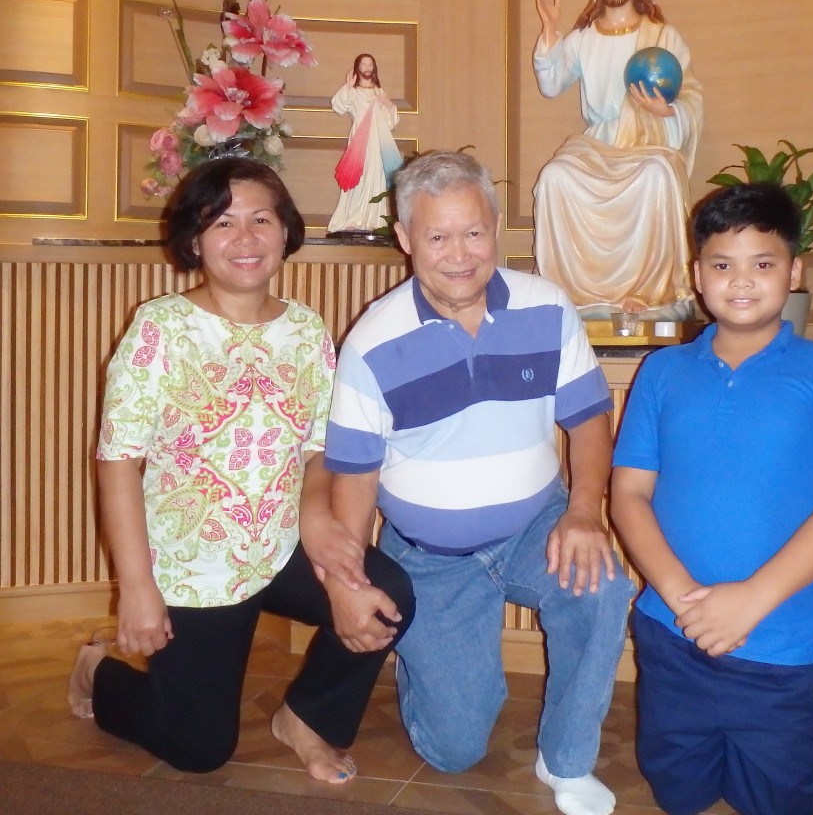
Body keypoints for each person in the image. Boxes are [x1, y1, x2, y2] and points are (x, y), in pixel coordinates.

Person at [67, 157, 414, 782]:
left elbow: (317, 449)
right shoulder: (161, 328)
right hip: (192, 567)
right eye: (222, 221)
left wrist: (317, 525)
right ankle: (100, 669)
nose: (246, 237)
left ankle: (307, 718)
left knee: (389, 599)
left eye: (261, 218)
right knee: (199, 750)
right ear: (195, 240)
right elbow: (118, 461)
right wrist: (137, 588)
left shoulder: (308, 331)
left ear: (286, 232)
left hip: (280, 546)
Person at [318, 150, 635, 815]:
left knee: (602, 585)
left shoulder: (547, 309)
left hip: (534, 526)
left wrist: (582, 512)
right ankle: (428, 662)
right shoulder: (373, 340)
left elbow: (588, 420)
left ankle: (566, 759)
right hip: (428, 559)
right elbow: (352, 476)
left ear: (496, 227)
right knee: (454, 747)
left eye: (474, 232)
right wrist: (348, 586)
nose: (459, 254)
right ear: (406, 240)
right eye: (437, 236)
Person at [610, 182, 813, 815]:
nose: (742, 281)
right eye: (722, 264)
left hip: (786, 651)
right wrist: (683, 600)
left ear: (795, 271)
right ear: (697, 275)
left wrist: (750, 601)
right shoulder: (661, 371)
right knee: (680, 791)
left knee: (781, 799)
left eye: (764, 263)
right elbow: (628, 494)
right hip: (673, 637)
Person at [533, 0, 703, 318]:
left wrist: (667, 111)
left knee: (656, 174)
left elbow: (691, 96)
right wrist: (550, 29)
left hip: (648, 140)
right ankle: (575, 296)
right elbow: (550, 84)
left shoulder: (662, 36)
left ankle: (650, 294)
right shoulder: (583, 39)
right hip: (600, 142)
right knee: (555, 177)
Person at [328, 52, 403, 233]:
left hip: (377, 142)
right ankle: (352, 218)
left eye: (370, 65)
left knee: (375, 178)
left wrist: (389, 105)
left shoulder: (379, 92)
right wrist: (347, 86)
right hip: (358, 143)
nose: (367, 68)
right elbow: (339, 106)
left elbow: (390, 122)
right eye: (364, 65)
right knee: (358, 178)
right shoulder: (353, 92)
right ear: (357, 68)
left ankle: (374, 221)